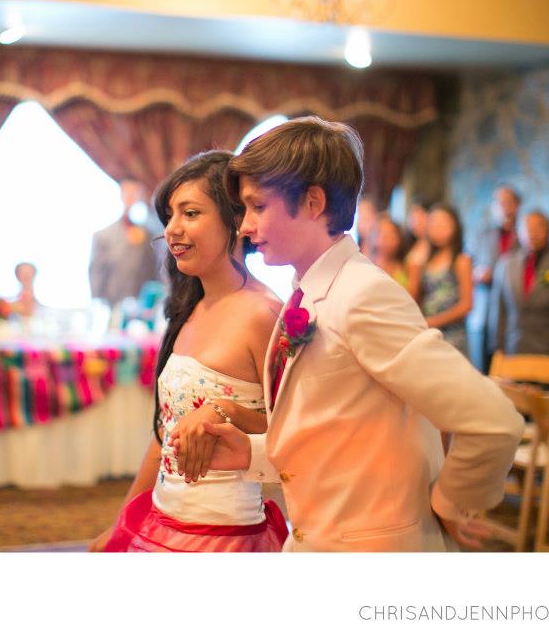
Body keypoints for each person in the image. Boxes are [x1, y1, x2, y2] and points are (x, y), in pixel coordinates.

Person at [171, 117, 524, 552]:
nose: (244, 226)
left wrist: (451, 504)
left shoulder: (364, 295)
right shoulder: (306, 294)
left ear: (314, 203)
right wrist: (250, 454)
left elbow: (492, 421)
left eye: (258, 206)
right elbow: (339, 438)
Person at [88, 151, 288, 552]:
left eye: (190, 213)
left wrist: (223, 410)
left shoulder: (264, 315)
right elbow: (165, 434)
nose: (172, 230)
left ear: (236, 219)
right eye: (170, 216)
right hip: (163, 520)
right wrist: (120, 523)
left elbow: (297, 430)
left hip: (227, 535)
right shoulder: (188, 308)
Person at [488, 211, 549, 359]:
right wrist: (498, 348)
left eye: (538, 227)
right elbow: (499, 311)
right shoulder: (504, 265)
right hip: (513, 350)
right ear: (518, 231)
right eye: (527, 228)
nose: (532, 233)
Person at [408, 204, 473, 357]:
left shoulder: (461, 260)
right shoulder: (425, 261)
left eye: (444, 223)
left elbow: (466, 305)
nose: (438, 228)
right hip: (427, 333)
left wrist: (433, 321)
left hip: (454, 336)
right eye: (434, 223)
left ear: (455, 226)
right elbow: (413, 297)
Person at [469, 185, 523, 370]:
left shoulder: (525, 236)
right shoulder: (481, 234)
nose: (504, 208)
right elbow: (468, 266)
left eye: (508, 202)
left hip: (512, 312)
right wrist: (478, 273)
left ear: (517, 205)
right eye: (499, 203)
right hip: (484, 309)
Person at [89, 178, 164, 308]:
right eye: (128, 194)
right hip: (111, 305)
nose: (131, 199)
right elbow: (96, 274)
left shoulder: (149, 235)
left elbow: (155, 271)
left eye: (135, 194)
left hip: (141, 307)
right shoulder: (103, 236)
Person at [369, 214, 411, 292]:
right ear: (374, 239)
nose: (388, 241)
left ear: (399, 239)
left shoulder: (406, 267)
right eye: (384, 236)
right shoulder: (367, 267)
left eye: (392, 236)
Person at [405, 199, 431, 269]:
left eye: (421, 216)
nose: (416, 222)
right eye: (413, 217)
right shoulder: (407, 243)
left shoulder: (433, 245)